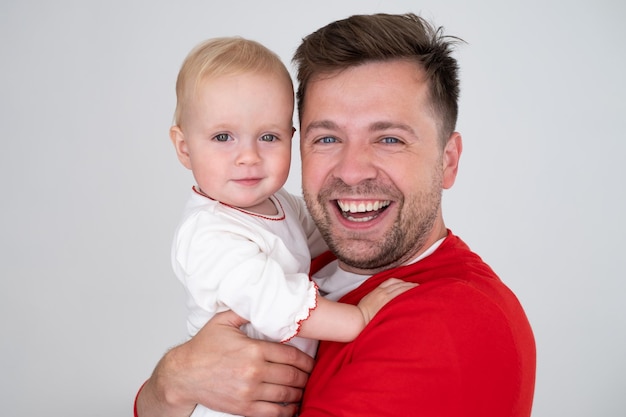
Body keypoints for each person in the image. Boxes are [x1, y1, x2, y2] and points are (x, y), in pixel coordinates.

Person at [136, 13, 536, 417]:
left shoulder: (451, 323)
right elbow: (155, 402)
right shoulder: (315, 254)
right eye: (327, 138)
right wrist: (174, 380)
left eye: (389, 139)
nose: (351, 170)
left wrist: (176, 385)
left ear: (447, 162)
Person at [164, 36, 417, 417]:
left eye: (269, 137)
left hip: (276, 389)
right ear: (184, 147)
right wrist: (359, 318)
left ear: (291, 140)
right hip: (228, 402)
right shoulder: (208, 234)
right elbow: (277, 303)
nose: (248, 157)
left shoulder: (275, 203)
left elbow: (322, 235)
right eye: (222, 137)